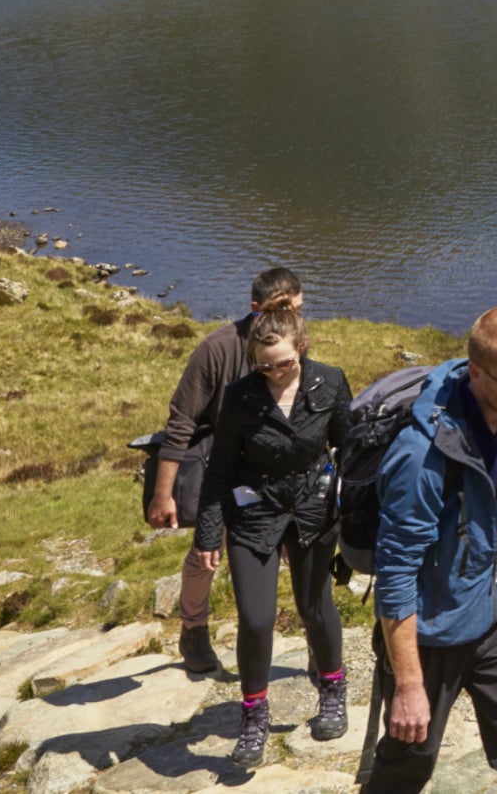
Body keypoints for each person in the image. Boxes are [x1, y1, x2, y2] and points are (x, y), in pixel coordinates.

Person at [368, 308, 497, 794]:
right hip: (431, 633)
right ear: (476, 372)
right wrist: (408, 685)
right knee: (409, 761)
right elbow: (395, 574)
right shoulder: (420, 456)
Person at [190, 307, 353, 768]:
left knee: (315, 607)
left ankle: (333, 688)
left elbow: (351, 448)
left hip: (312, 510)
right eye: (264, 366)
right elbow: (218, 472)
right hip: (254, 511)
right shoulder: (238, 397)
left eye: (284, 363)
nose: (275, 373)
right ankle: (254, 714)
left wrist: (360, 511)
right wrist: (207, 536)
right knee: (257, 618)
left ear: (301, 347)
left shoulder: (331, 382)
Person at [150, 265, 304, 677]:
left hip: (271, 475)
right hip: (217, 473)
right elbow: (181, 421)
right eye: (280, 307)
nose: (289, 315)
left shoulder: (296, 346)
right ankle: (194, 629)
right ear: (255, 308)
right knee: (206, 555)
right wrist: (163, 495)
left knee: (286, 552)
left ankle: (301, 634)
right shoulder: (216, 349)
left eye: (297, 308)